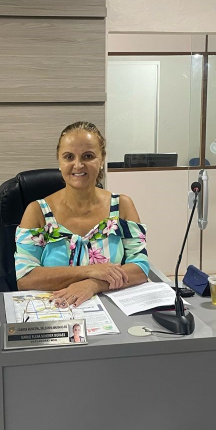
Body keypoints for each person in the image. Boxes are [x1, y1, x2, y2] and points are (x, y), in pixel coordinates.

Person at [15, 121, 149, 307]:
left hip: (112, 310)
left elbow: (140, 268)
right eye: (69, 157)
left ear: (102, 160)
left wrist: (93, 285)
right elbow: (25, 278)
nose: (78, 165)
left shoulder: (122, 206)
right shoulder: (37, 212)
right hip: (55, 309)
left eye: (88, 156)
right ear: (59, 161)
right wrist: (90, 271)